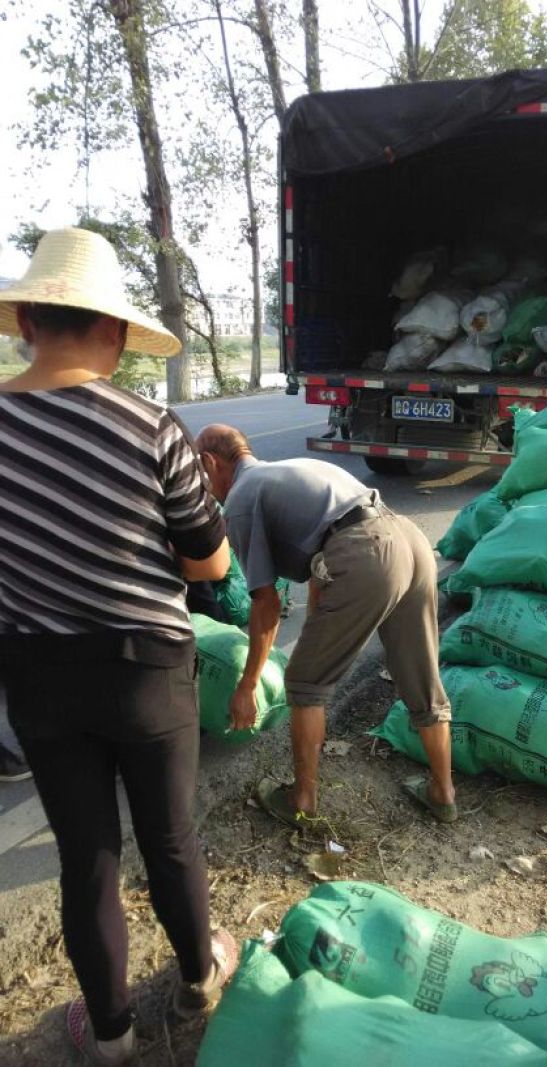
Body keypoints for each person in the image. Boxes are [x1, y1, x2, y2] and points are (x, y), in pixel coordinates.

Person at [0, 228, 238, 1066]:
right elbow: (210, 559)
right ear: (111, 330)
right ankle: (198, 980)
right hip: (146, 672)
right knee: (170, 837)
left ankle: (108, 1035)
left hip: (37, 674)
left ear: (27, 318)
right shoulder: (151, 427)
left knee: (87, 858)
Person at [195, 424, 457, 825]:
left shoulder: (242, 500)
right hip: (408, 540)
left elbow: (265, 605)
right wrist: (321, 632)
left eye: (201, 473)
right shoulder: (291, 471)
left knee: (303, 683)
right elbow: (320, 569)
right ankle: (443, 793)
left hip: (366, 553)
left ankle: (302, 800)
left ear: (211, 463)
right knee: (421, 677)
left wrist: (247, 686)